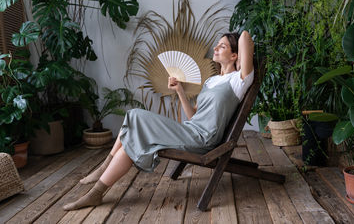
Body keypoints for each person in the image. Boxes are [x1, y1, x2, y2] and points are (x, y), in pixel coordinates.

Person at [63, 31, 254, 211]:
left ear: (235, 56)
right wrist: (180, 90)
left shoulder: (239, 80)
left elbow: (245, 36)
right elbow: (193, 117)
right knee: (130, 143)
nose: (215, 48)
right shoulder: (211, 82)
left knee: (135, 114)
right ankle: (96, 193)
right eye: (217, 45)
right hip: (189, 130)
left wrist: (239, 64)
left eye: (222, 46)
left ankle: (103, 168)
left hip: (204, 139)